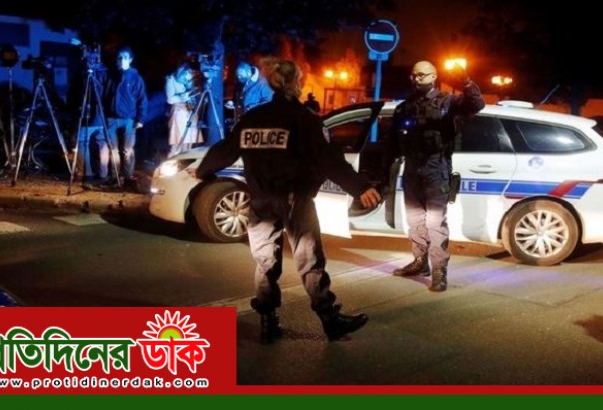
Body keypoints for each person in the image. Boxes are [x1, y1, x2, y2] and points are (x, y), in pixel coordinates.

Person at [193, 58, 382, 344]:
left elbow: (226, 149)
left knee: (265, 262)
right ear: (296, 82)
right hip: (295, 199)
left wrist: (203, 171)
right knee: (309, 260)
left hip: (261, 201)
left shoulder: (253, 118)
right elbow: (327, 158)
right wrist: (359, 187)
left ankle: (268, 322)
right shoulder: (303, 119)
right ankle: (330, 320)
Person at [386, 60, 485, 292]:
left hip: (436, 167)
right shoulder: (405, 106)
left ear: (434, 76)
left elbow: (476, 104)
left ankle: (439, 270)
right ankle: (420, 261)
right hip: (412, 168)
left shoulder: (448, 102)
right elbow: (392, 141)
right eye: (414, 75)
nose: (416, 78)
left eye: (422, 74)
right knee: (415, 219)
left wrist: (466, 82)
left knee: (435, 222)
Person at [92, 45, 147, 190]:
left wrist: (140, 119)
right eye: (120, 58)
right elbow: (103, 93)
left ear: (130, 60)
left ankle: (127, 177)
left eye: (125, 58)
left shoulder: (136, 78)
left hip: (129, 118)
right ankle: (115, 176)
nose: (122, 60)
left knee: (127, 149)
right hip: (111, 118)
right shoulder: (110, 76)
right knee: (113, 149)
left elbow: (142, 99)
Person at [166, 63, 202, 156]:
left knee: (189, 142)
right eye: (187, 74)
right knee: (178, 141)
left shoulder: (190, 78)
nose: (188, 77)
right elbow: (170, 99)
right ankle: (172, 162)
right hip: (179, 112)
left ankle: (186, 160)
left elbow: (194, 91)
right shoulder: (171, 80)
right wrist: (183, 96)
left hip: (190, 111)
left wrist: (194, 90)